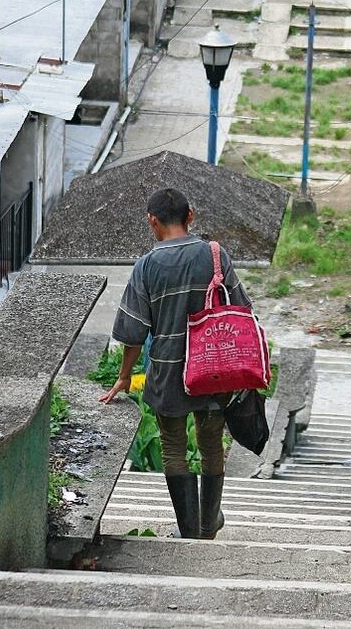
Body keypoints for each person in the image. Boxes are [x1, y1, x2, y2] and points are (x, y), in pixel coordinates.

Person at [99, 188, 250, 540]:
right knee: (211, 443)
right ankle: (208, 523)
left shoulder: (147, 266)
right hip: (215, 369)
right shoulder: (215, 255)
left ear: (153, 221)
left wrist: (124, 376)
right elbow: (242, 307)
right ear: (190, 215)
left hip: (168, 372)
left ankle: (189, 532)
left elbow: (133, 332)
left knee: (173, 447)